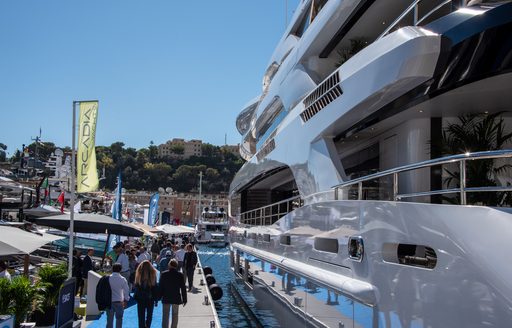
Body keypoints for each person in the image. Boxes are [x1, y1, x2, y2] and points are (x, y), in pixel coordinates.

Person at [159, 259, 187, 328]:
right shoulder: (180, 275)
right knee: (175, 315)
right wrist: (184, 299)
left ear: (169, 265)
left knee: (165, 315)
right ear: (176, 266)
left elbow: (161, 287)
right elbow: (183, 288)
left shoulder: (164, 274)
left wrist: (159, 297)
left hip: (166, 297)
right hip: (176, 297)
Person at [134, 260, 159, 328]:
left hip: (140, 298)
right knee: (149, 315)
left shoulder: (139, 273)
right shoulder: (153, 274)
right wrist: (156, 299)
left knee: (141, 315)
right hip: (150, 298)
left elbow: (136, 285)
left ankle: (141, 326)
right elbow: (155, 287)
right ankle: (147, 326)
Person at [107, 263, 130, 328]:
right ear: (120, 270)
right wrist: (126, 300)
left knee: (109, 320)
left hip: (110, 301)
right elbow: (126, 291)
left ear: (112, 269)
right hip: (119, 301)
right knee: (119, 319)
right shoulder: (123, 279)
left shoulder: (108, 278)